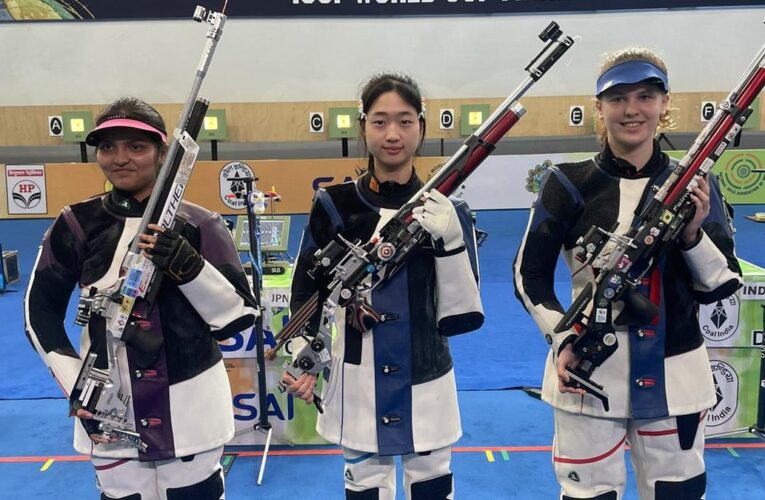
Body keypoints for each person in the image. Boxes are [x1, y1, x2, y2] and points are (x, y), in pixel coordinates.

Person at [513, 48, 742, 499]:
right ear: (599, 108)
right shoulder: (566, 182)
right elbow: (528, 275)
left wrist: (692, 234)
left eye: (644, 96)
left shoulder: (696, 183)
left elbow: (722, 285)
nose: (631, 109)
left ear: (664, 104)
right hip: (586, 371)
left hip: (676, 376)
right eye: (617, 98)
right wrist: (564, 340)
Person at [24, 97, 257, 499]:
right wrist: (77, 385)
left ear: (163, 154)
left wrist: (190, 268)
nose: (120, 158)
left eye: (137, 146)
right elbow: (38, 315)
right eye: (108, 147)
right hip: (108, 407)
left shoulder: (200, 224)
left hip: (191, 408)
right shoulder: (76, 224)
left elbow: (239, 318)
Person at [283, 73, 484, 500]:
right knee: (365, 489)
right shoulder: (333, 205)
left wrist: (449, 241)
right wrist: (305, 359)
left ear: (422, 128)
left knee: (432, 485)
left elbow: (464, 313)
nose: (393, 134)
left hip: (428, 376)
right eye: (380, 121)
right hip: (355, 378)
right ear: (362, 128)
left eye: (405, 121)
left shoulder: (450, 211)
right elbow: (306, 295)